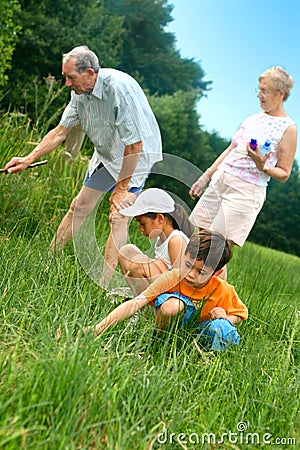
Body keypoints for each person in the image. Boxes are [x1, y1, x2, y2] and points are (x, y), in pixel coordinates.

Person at [4, 45, 162, 287]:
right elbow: (60, 133)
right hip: (107, 154)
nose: (67, 83)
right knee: (79, 205)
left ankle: (105, 282)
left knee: (117, 217)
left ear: (90, 72)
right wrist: (27, 159)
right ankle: (48, 260)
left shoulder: (119, 89)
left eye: (71, 77)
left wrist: (120, 189)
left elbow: (135, 145)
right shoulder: (78, 93)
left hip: (135, 158)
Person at [189, 66, 297, 269]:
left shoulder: (288, 128)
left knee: (216, 250)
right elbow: (230, 148)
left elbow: (284, 173)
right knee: (201, 241)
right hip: (221, 180)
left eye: (264, 90)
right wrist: (206, 176)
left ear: (280, 94)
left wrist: (262, 166)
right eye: (259, 89)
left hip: (245, 190)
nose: (259, 94)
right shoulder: (252, 119)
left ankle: (213, 298)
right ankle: (194, 291)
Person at [89, 230, 248, 352]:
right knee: (172, 306)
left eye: (201, 272)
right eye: (187, 265)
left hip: (198, 333)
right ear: (184, 254)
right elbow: (136, 303)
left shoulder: (222, 290)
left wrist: (226, 317)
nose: (190, 274)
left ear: (216, 273)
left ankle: (206, 358)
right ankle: (157, 343)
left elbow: (241, 313)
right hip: (173, 328)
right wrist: (98, 328)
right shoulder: (173, 277)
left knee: (221, 327)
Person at [117, 187, 194, 295]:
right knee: (126, 251)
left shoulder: (176, 240)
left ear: (160, 218)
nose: (141, 229)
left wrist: (154, 265)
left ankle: (146, 305)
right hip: (164, 285)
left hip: (176, 295)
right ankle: (137, 298)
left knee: (138, 265)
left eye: (143, 224)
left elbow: (181, 281)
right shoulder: (161, 239)